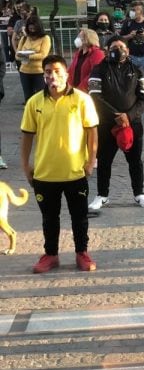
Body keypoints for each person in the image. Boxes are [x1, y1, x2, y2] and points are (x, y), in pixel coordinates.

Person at [21, 55, 99, 274]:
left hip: (75, 172)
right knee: (49, 218)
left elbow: (92, 132)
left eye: (56, 71)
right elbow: (27, 135)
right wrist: (25, 166)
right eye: (47, 71)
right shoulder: (34, 102)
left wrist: (91, 161)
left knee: (79, 217)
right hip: (45, 173)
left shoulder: (82, 100)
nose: (52, 75)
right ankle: (51, 254)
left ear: (66, 73)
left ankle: (81, 252)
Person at [87, 38, 144, 211]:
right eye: (114, 47)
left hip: (133, 124)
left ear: (128, 50)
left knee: (135, 161)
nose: (119, 50)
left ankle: (139, 193)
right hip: (107, 124)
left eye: (122, 47)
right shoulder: (99, 69)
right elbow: (95, 96)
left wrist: (129, 116)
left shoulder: (138, 69)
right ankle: (102, 195)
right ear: (107, 49)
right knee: (104, 161)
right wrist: (116, 115)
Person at [15, 14, 51, 102]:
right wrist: (22, 56)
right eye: (30, 29)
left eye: (34, 29)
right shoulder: (24, 38)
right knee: (28, 97)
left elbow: (43, 55)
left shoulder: (45, 38)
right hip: (24, 71)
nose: (32, 31)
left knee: (41, 96)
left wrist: (28, 56)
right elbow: (17, 55)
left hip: (39, 72)